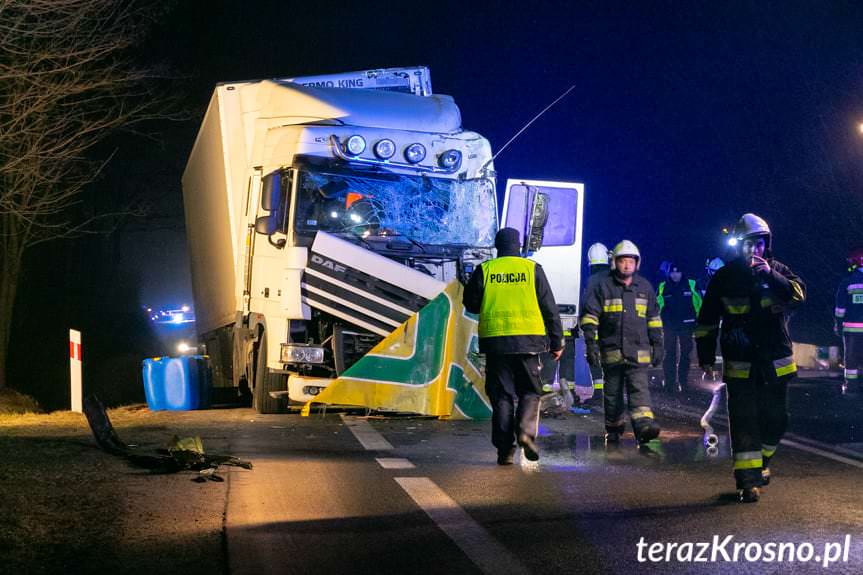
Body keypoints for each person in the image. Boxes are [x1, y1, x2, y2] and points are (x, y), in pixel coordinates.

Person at [695, 213, 805, 503]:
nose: (754, 250)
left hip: (775, 363)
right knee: (744, 422)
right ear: (739, 247)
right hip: (741, 363)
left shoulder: (778, 271)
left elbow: (798, 296)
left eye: (759, 244)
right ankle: (747, 481)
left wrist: (770, 274)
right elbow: (706, 320)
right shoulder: (725, 278)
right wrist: (706, 356)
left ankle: (763, 461)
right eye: (748, 245)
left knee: (776, 420)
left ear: (766, 245)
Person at [463, 227, 564, 465]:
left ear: (497, 246)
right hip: (529, 343)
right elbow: (550, 308)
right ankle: (526, 434)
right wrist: (557, 341)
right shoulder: (532, 269)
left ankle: (504, 451)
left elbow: (471, 304)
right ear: (519, 246)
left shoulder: (486, 270)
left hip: (496, 344)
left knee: (502, 397)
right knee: (530, 391)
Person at [579, 240, 663, 445]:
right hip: (612, 351)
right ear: (614, 262)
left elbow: (654, 318)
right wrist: (591, 344)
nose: (627, 265)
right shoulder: (603, 286)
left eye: (630, 261)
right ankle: (614, 428)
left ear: (637, 263)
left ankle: (643, 427)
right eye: (622, 260)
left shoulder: (644, 288)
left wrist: (658, 344)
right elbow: (590, 317)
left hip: (638, 351)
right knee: (613, 393)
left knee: (639, 389)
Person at [657, 263, 702, 392]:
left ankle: (683, 381)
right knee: (669, 354)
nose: (675, 275)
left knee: (685, 354)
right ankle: (670, 382)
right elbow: (657, 305)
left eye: (678, 271)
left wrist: (699, 319)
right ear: (669, 273)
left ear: (682, 273)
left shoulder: (691, 284)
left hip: (686, 325)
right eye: (672, 272)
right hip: (669, 325)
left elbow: (699, 303)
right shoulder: (663, 286)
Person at [834, 247, 863, 392]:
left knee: (851, 359)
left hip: (852, 330)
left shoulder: (847, 282)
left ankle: (851, 386)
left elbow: (840, 309)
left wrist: (838, 325)